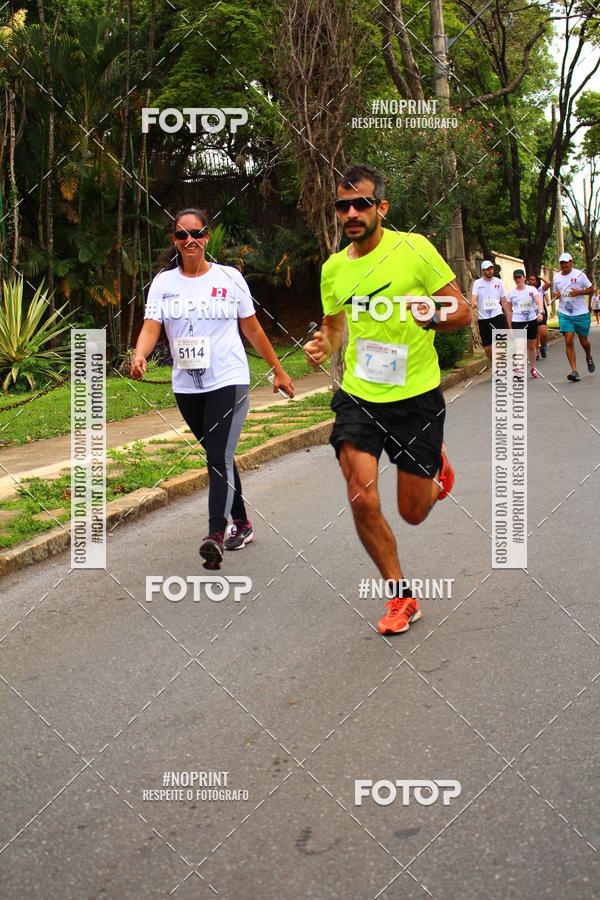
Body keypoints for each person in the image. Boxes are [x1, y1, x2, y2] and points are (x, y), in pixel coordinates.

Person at [303, 164, 471, 636]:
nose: (351, 213)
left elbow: (461, 310)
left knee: (412, 512)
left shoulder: (413, 250)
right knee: (360, 495)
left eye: (361, 204)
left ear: (381, 208)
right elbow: (335, 327)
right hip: (358, 394)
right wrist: (323, 344)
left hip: (415, 396)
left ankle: (435, 468)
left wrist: (432, 315)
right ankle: (401, 597)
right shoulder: (334, 269)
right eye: (343, 206)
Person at [131, 207, 294, 569]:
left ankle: (215, 536)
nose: (189, 240)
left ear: (207, 237)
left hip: (229, 379)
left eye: (196, 233)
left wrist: (278, 370)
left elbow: (252, 329)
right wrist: (140, 355)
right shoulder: (164, 284)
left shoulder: (230, 278)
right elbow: (151, 327)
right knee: (219, 455)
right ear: (175, 241)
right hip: (187, 386)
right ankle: (244, 524)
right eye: (181, 235)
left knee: (216, 458)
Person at [552, 252, 595, 382]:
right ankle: (574, 370)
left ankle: (588, 355)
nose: (564, 265)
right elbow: (556, 292)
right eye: (562, 263)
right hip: (565, 313)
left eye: (566, 262)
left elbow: (591, 289)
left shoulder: (579, 275)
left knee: (584, 342)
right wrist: (558, 295)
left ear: (571, 262)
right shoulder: (557, 278)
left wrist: (579, 292)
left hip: (581, 313)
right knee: (569, 339)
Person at [471, 261, 508, 369]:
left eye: (491, 268)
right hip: (483, 318)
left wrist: (508, 314)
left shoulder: (498, 282)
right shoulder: (477, 283)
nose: (490, 271)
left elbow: (503, 300)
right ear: (483, 271)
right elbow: (474, 297)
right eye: (488, 269)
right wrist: (474, 302)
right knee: (487, 347)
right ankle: (494, 365)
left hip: (497, 315)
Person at [506, 269, 543, 378]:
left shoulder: (531, 290)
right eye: (515, 278)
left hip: (531, 320)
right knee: (519, 346)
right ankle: (519, 369)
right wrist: (510, 325)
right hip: (518, 321)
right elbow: (508, 310)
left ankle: (532, 368)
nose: (518, 280)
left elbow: (538, 302)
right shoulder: (511, 294)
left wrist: (539, 313)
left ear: (524, 277)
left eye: (519, 277)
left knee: (531, 347)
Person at [526, 273, 551, 359]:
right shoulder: (526, 290)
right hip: (531, 315)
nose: (531, 281)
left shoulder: (541, 289)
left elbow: (548, 283)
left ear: (537, 282)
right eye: (530, 280)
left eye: (533, 280)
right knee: (535, 334)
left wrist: (540, 277)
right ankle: (536, 352)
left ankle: (542, 346)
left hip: (541, 313)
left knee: (543, 334)